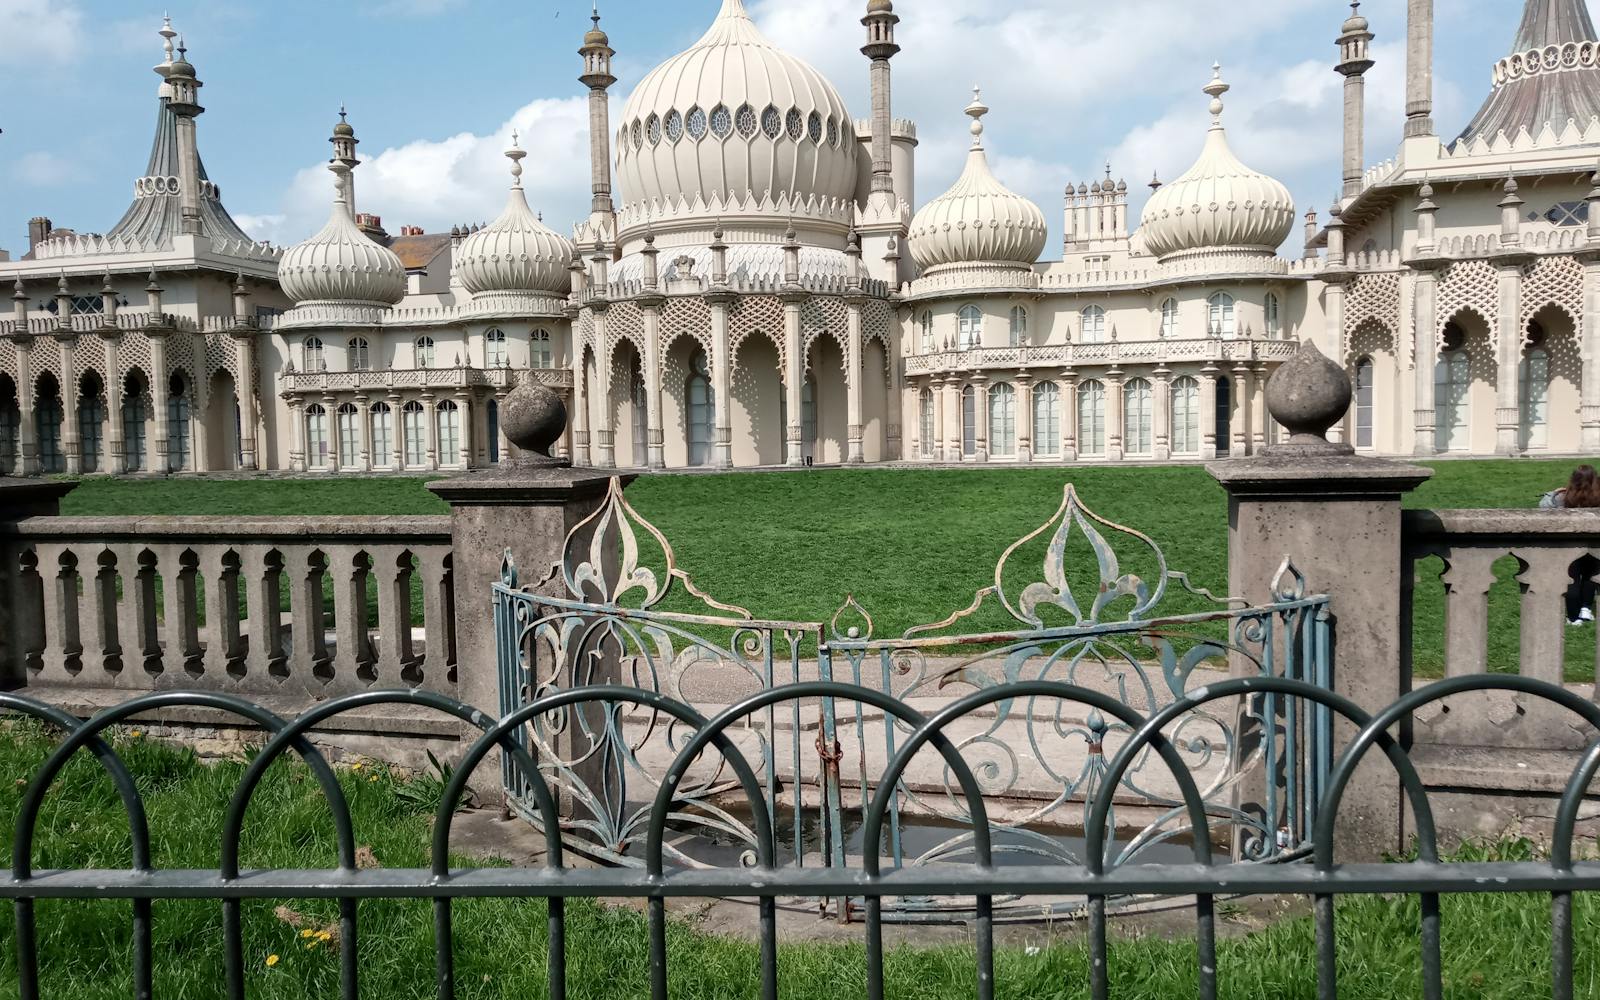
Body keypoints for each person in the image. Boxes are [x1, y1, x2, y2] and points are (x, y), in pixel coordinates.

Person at [1541, 465, 1600, 626]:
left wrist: (1554, 492)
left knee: (1572, 578)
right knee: (1590, 575)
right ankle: (1585, 609)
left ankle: (1573, 617)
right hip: (1594, 542)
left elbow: (1543, 507)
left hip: (1570, 543)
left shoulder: (1564, 497)